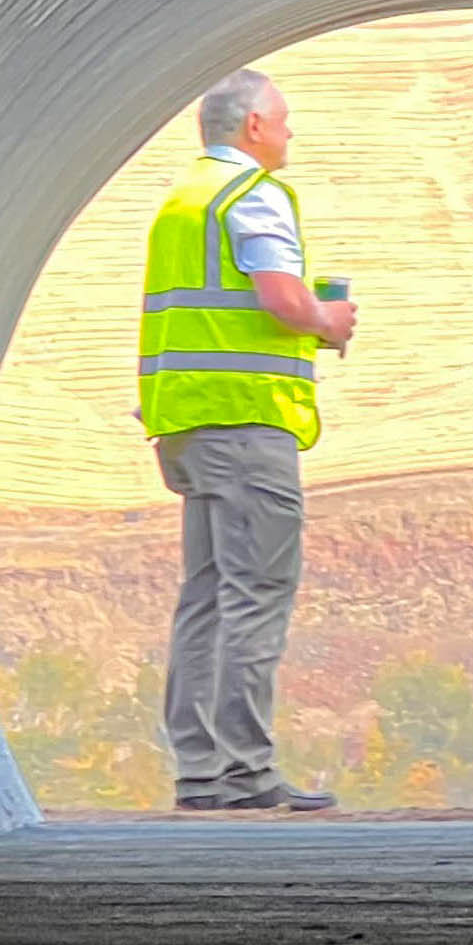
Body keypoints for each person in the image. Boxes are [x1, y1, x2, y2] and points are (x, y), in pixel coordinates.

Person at [138, 67, 355, 811]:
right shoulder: (250, 195)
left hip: (187, 420)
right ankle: (246, 770)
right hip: (245, 421)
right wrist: (330, 322)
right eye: (284, 119)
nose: (290, 132)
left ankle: (200, 768)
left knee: (204, 596)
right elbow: (281, 298)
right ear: (253, 125)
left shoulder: (182, 201)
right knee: (256, 593)